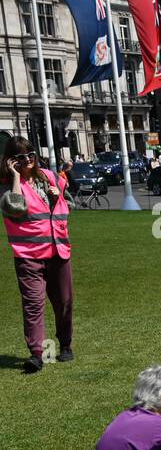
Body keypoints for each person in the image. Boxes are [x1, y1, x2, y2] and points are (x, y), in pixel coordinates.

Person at [3, 136, 73, 374]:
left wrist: (57, 197)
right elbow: (15, 209)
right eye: (20, 157)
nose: (28, 161)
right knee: (34, 305)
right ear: (11, 160)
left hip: (58, 250)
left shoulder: (50, 177)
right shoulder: (7, 185)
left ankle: (65, 345)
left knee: (64, 301)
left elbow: (69, 206)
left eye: (30, 155)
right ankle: (37, 354)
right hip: (28, 255)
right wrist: (14, 177)